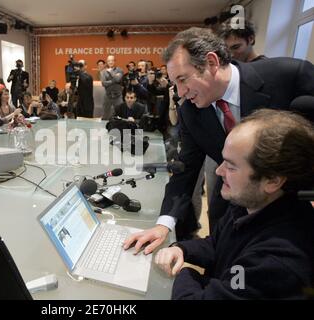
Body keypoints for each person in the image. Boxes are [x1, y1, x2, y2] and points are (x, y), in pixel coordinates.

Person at [123, 27, 314, 253]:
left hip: (297, 209)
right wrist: (163, 225)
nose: (181, 92)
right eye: (176, 84)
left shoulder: (291, 76)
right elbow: (186, 170)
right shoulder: (190, 112)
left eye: (183, 80)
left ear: (211, 63)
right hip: (234, 205)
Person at [155, 109, 314, 299]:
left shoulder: (276, 261)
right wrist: (182, 249)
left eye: (231, 166)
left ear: (272, 181)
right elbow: (217, 244)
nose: (219, 171)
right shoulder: (251, 202)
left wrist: (187, 273)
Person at [100, 55, 124, 120]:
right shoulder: (103, 71)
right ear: (107, 62)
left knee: (120, 114)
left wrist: (111, 72)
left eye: (112, 60)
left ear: (115, 61)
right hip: (108, 96)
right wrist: (114, 80)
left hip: (118, 96)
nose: (110, 62)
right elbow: (103, 83)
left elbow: (118, 79)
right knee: (105, 115)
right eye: (109, 61)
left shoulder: (120, 70)